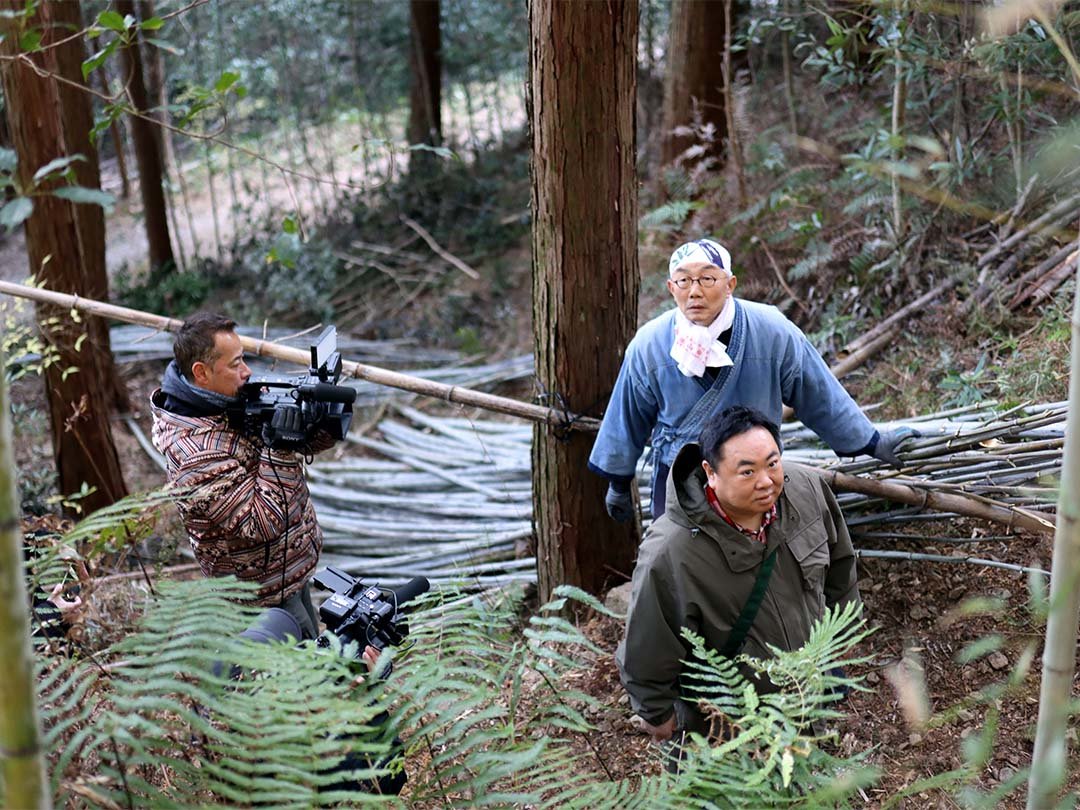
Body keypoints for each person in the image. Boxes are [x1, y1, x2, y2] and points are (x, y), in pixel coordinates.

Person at [588, 237, 918, 521]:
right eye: (684, 282)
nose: (695, 292)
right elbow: (625, 418)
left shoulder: (772, 330)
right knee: (681, 575)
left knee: (758, 567)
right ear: (671, 288)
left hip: (756, 476)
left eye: (707, 279)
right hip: (682, 479)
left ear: (730, 284)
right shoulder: (649, 345)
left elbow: (818, 392)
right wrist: (618, 483)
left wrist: (872, 442)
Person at [615, 406, 860, 743]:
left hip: (811, 697)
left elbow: (840, 567)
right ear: (710, 473)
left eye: (772, 463)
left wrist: (842, 634)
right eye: (747, 472)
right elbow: (649, 641)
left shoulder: (807, 489)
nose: (766, 481)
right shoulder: (671, 551)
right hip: (729, 730)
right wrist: (656, 712)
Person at [150, 312, 337, 639]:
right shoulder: (195, 454)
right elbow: (259, 524)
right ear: (202, 373)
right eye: (235, 364)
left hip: (290, 574)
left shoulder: (227, 401)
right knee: (303, 681)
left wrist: (318, 420)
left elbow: (303, 443)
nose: (247, 372)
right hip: (262, 599)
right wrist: (279, 446)